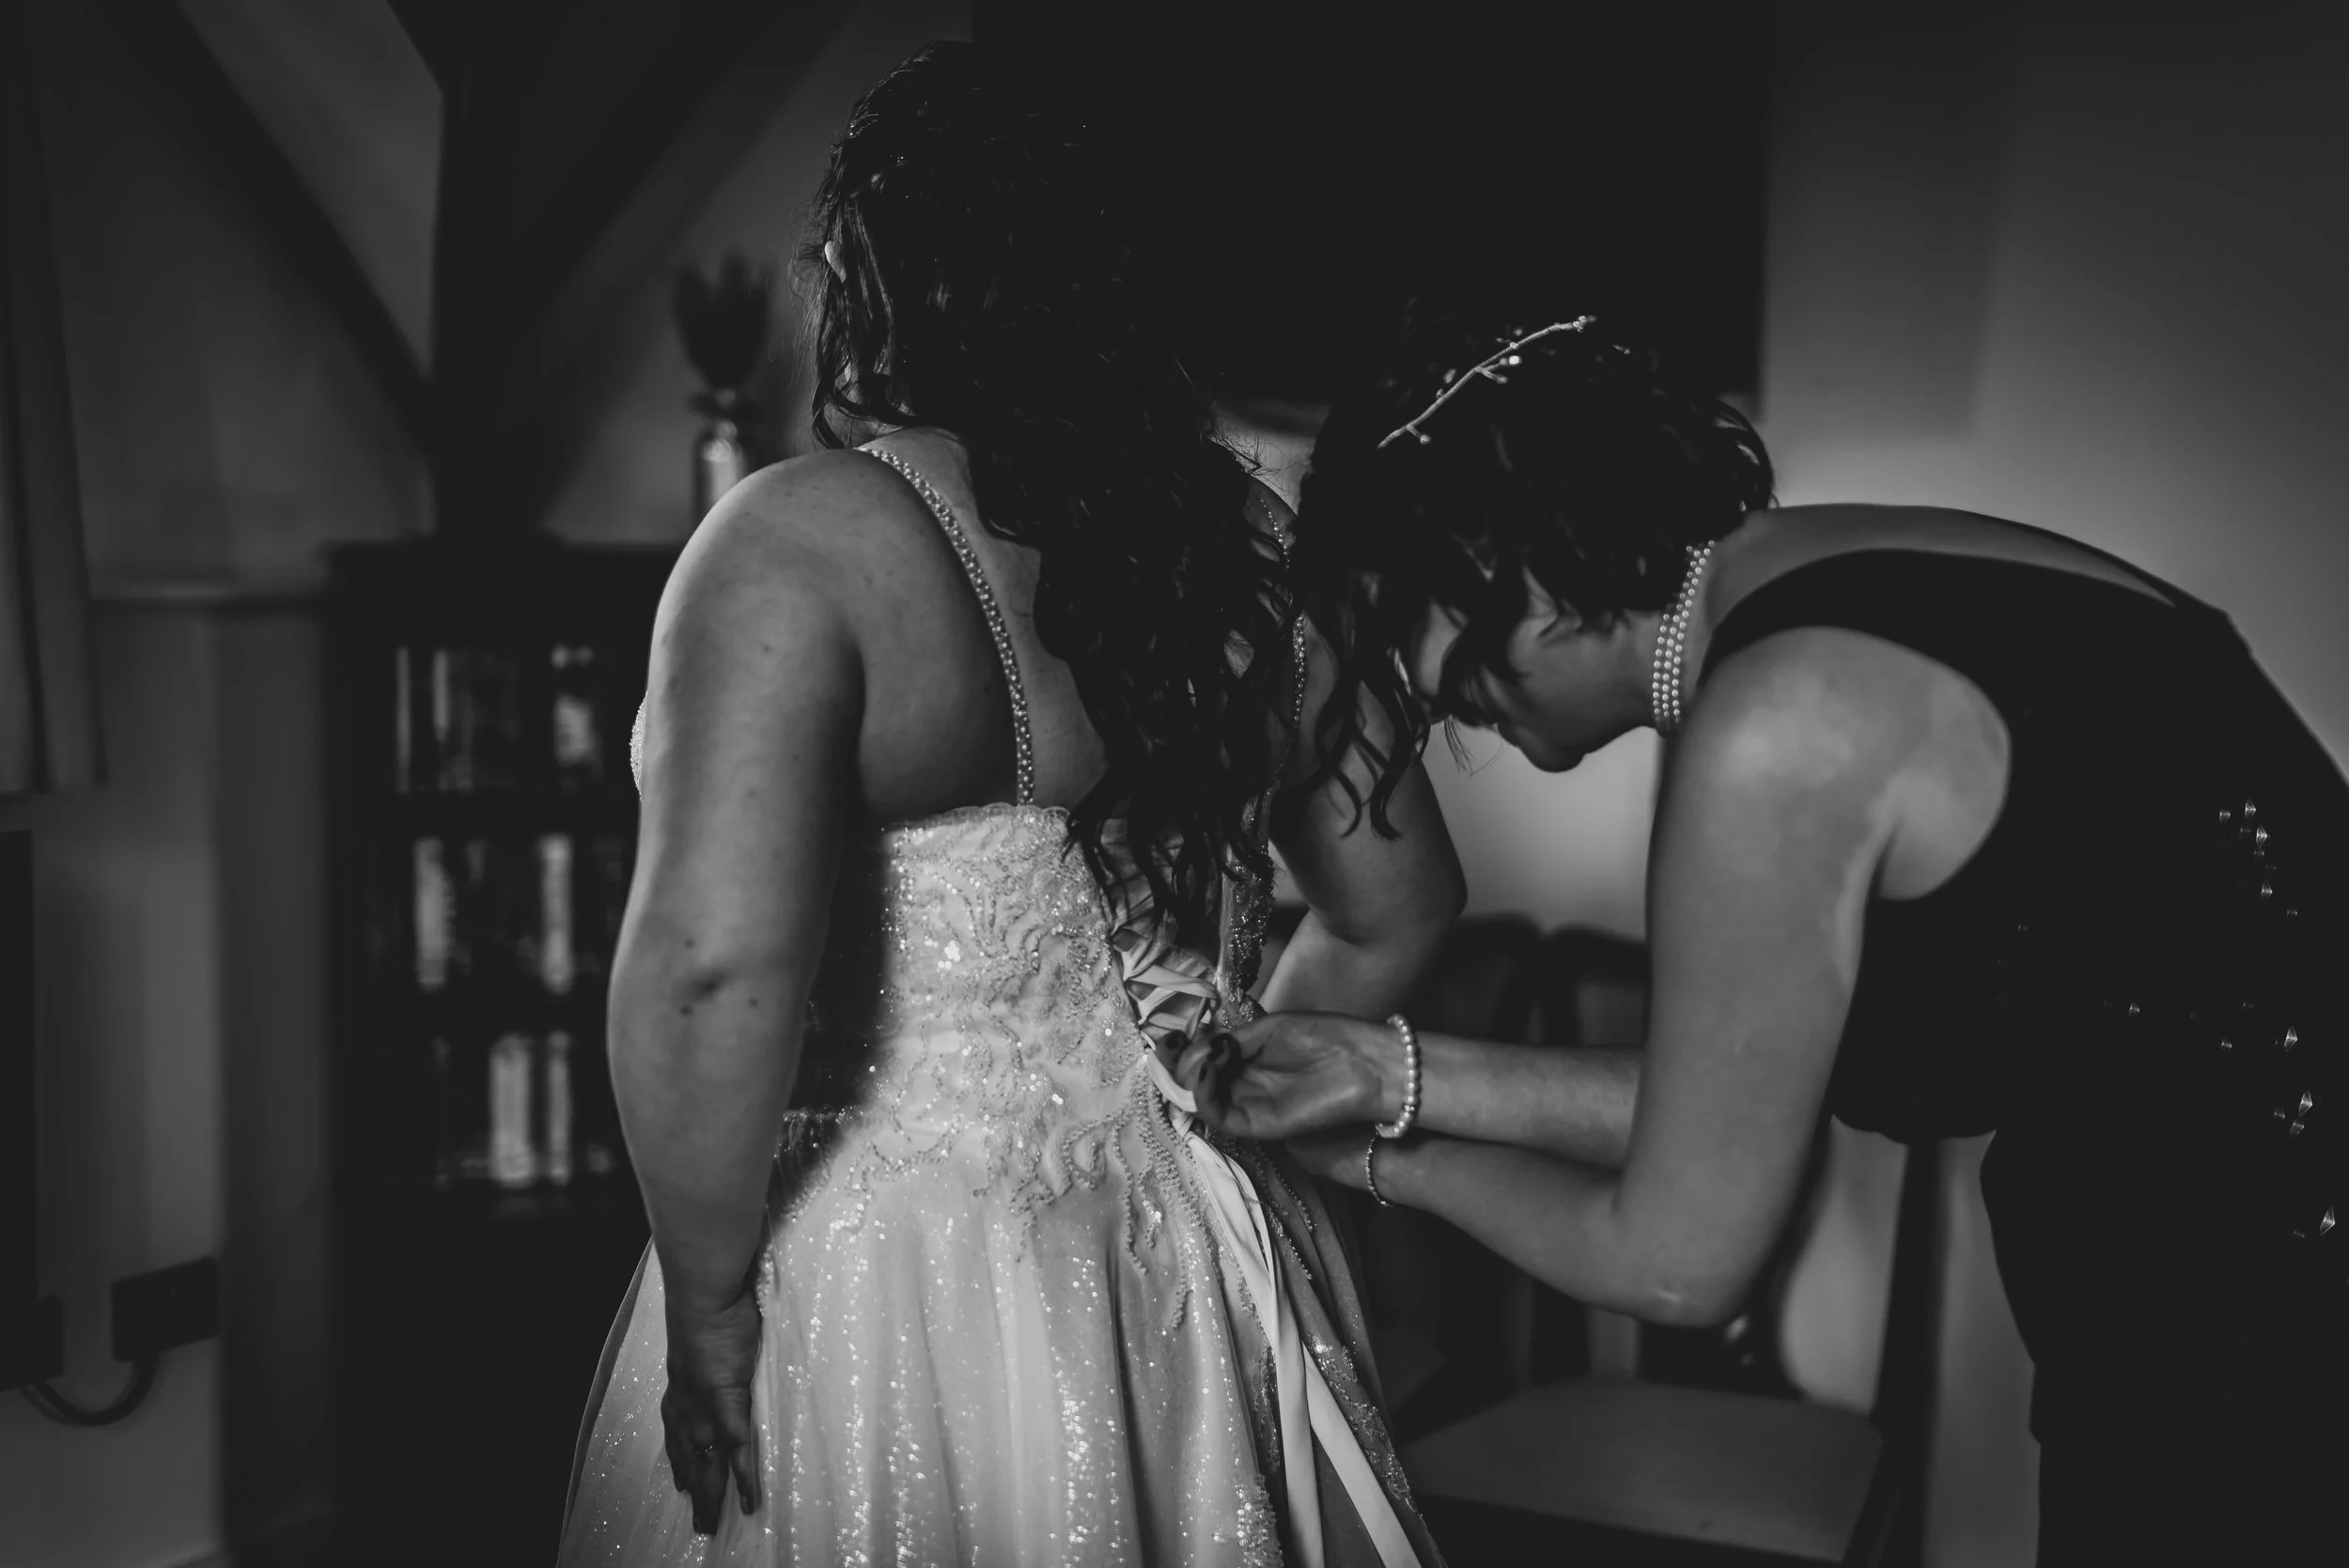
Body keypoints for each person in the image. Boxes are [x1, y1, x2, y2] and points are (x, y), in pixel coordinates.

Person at [1192, 298, 2349, 1564]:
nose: (1422, 693)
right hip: (2243, 1207)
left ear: (1500, 571)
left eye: (1405, 631)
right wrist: (1393, 1072)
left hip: (2263, 1280)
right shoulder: (1847, 567)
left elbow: (1678, 1265)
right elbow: (1725, 1097)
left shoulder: (1771, 731)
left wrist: (1372, 1164)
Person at [556, 45, 1462, 1568]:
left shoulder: (802, 546)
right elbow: (1403, 904)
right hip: (1194, 1255)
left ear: (868, 270)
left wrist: (712, 1305)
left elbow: (713, 972)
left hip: (883, 1285)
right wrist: (1222, 1082)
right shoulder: (1251, 541)